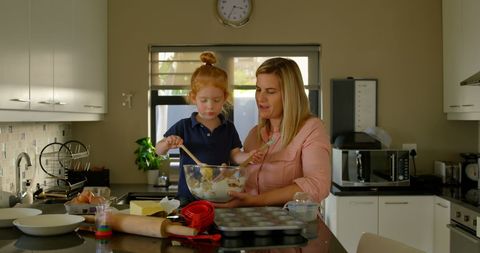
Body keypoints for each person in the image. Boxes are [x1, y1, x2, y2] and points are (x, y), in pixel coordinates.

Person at [215, 57, 331, 208]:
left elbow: (317, 185)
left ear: (289, 96)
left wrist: (257, 200)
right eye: (258, 89)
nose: (260, 98)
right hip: (252, 221)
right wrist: (228, 179)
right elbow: (245, 185)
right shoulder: (254, 134)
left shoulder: (311, 129)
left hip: (293, 226)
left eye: (270, 91)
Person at [155, 52, 262, 205]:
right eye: (204, 100)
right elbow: (158, 151)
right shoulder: (184, 126)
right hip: (188, 198)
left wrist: (249, 156)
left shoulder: (228, 128)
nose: (210, 106)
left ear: (225, 98)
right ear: (193, 98)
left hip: (220, 197)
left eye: (216, 100)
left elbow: (235, 156)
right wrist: (167, 143)